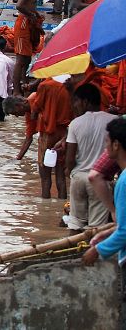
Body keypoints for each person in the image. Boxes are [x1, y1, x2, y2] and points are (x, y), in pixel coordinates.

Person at [66, 84, 117, 230]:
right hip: (101, 180)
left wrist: (71, 173)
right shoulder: (113, 121)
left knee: (75, 224)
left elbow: (70, 158)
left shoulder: (75, 123)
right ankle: (92, 252)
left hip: (79, 177)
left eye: (76, 101)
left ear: (85, 102)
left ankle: (71, 252)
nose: (74, 105)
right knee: (96, 227)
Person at [82, 118, 126, 266]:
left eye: (107, 142)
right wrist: (108, 233)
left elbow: (125, 231)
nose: (105, 147)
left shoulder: (124, 181)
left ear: (116, 145)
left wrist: (98, 250)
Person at [34, 76, 73, 199]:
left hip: (47, 133)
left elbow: (35, 108)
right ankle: (62, 205)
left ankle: (44, 208)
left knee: (45, 177)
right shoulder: (70, 86)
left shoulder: (45, 85)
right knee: (61, 175)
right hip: (63, 133)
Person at [12, 0, 49, 96]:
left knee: (27, 58)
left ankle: (24, 84)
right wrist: (31, 14)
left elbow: (28, 6)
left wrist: (36, 14)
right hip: (23, 23)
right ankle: (16, 90)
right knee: (20, 60)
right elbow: (19, 5)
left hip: (28, 23)